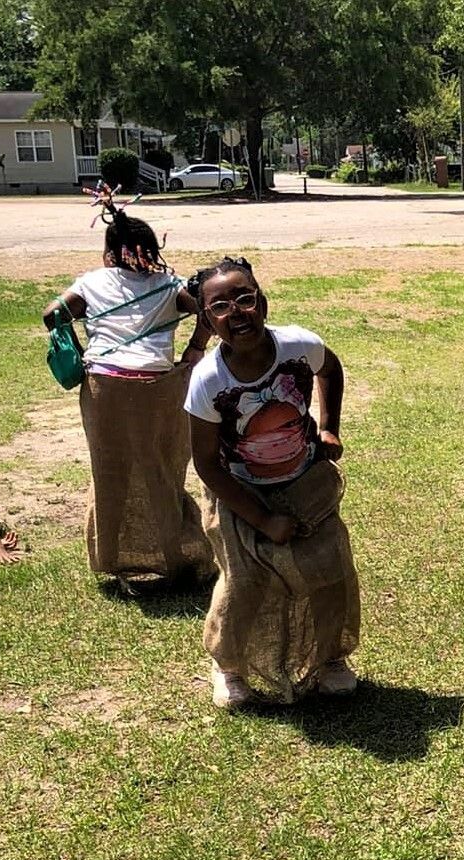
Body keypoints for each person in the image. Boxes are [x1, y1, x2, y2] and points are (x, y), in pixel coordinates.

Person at [184, 257, 361, 709]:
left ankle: (329, 660)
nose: (236, 311)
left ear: (262, 301)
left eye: (244, 298)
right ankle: (228, 667)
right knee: (243, 584)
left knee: (329, 568)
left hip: (305, 482)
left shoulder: (298, 346)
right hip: (240, 493)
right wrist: (263, 519)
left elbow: (331, 368)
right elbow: (207, 463)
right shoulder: (207, 381)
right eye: (220, 306)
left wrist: (329, 427)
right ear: (207, 320)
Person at [41, 190, 215, 592]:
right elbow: (206, 307)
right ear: (150, 248)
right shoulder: (168, 285)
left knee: (110, 471)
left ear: (109, 251)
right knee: (162, 468)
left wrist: (81, 350)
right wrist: (195, 347)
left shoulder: (92, 281)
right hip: (159, 386)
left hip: (105, 386)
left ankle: (114, 560)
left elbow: (52, 315)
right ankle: (173, 557)